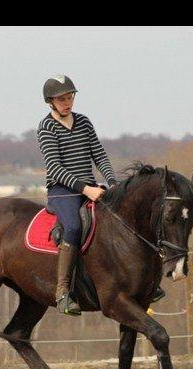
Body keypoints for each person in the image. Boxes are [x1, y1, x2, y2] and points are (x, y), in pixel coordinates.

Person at [37, 74, 164, 316]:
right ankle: (63, 291)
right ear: (50, 102)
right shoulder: (47, 126)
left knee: (121, 219)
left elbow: (100, 155)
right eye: (62, 99)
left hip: (91, 187)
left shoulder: (83, 122)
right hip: (62, 192)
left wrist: (114, 182)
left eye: (70, 97)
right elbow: (54, 167)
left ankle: (144, 281)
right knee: (73, 227)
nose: (67, 102)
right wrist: (85, 189)